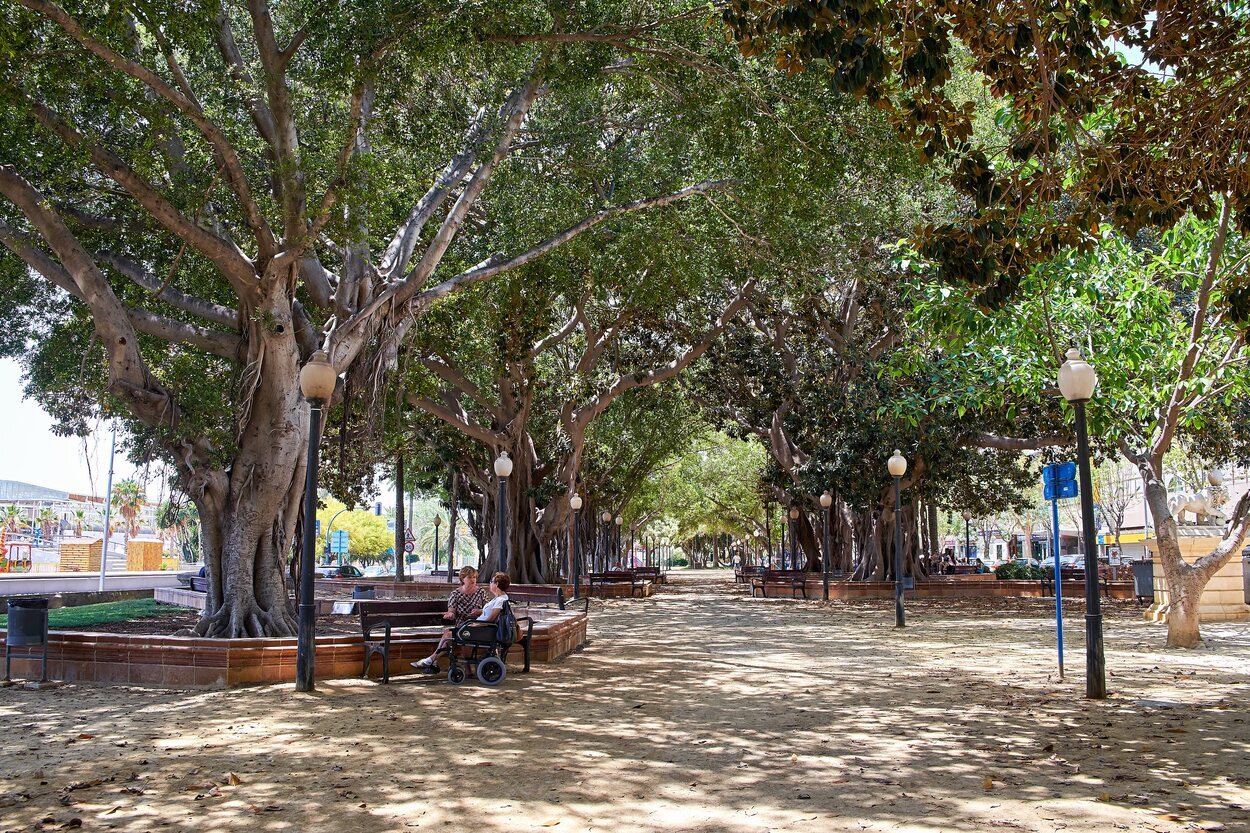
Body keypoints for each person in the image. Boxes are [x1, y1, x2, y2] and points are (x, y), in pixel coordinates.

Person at [412, 569, 504, 672]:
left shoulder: (481, 592)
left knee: (451, 635)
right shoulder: (455, 594)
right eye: (469, 577)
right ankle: (433, 660)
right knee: (449, 633)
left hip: (475, 626)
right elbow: (451, 611)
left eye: (474, 577)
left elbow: (487, 611)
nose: (473, 580)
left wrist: (479, 611)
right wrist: (450, 614)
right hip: (464, 625)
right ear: (463, 579)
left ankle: (431, 660)